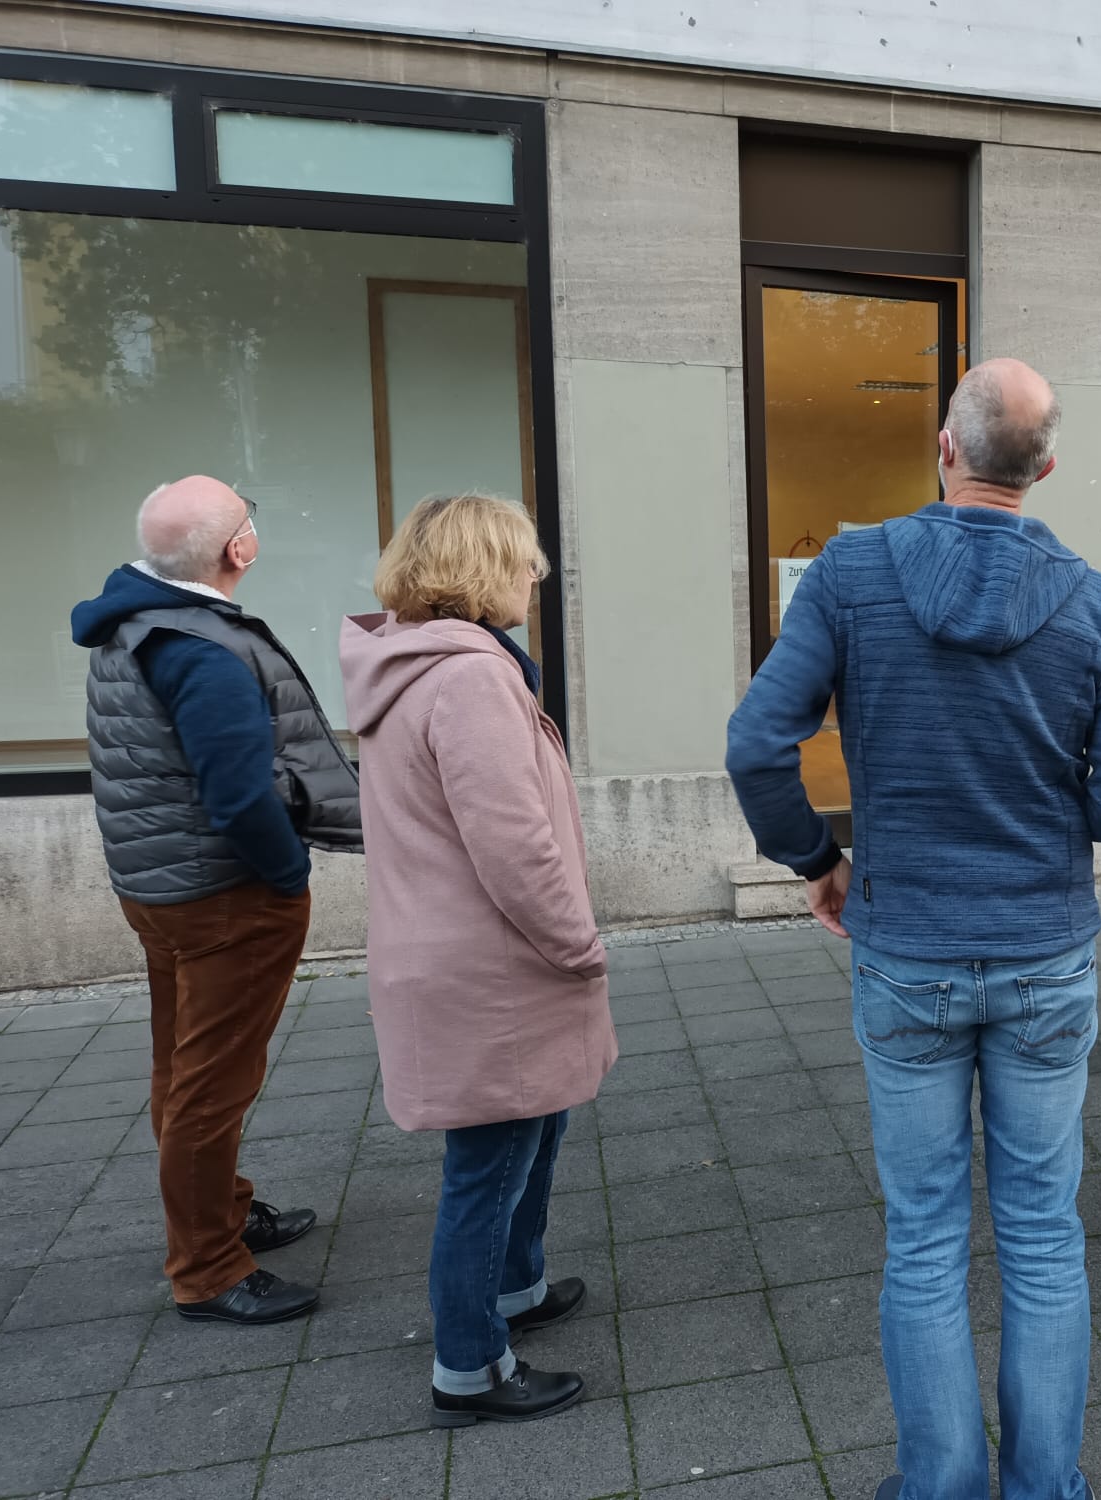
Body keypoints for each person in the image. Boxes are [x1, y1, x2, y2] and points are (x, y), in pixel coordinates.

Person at [725, 358, 1101, 1500]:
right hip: (1041, 949)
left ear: (943, 446)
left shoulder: (852, 570)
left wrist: (815, 862)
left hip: (906, 944)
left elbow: (754, 743)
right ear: (1047, 468)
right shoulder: (1094, 602)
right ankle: (1043, 1487)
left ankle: (939, 1485)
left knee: (922, 1238)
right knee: (1040, 1232)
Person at [339, 495, 616, 1429]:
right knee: (492, 1158)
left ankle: (515, 1287)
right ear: (479, 568)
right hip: (492, 963)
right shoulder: (466, 679)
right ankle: (469, 1367)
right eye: (524, 559)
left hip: (462, 952)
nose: (536, 575)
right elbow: (513, 843)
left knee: (531, 1129)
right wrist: (576, 940)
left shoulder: (418, 666)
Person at [71, 475, 361, 1325]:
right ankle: (206, 1268)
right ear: (240, 549)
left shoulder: (130, 622)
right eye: (250, 520)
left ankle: (221, 1211)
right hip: (223, 895)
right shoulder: (201, 646)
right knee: (212, 1084)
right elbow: (238, 796)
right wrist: (288, 875)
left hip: (159, 887)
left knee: (182, 1066)